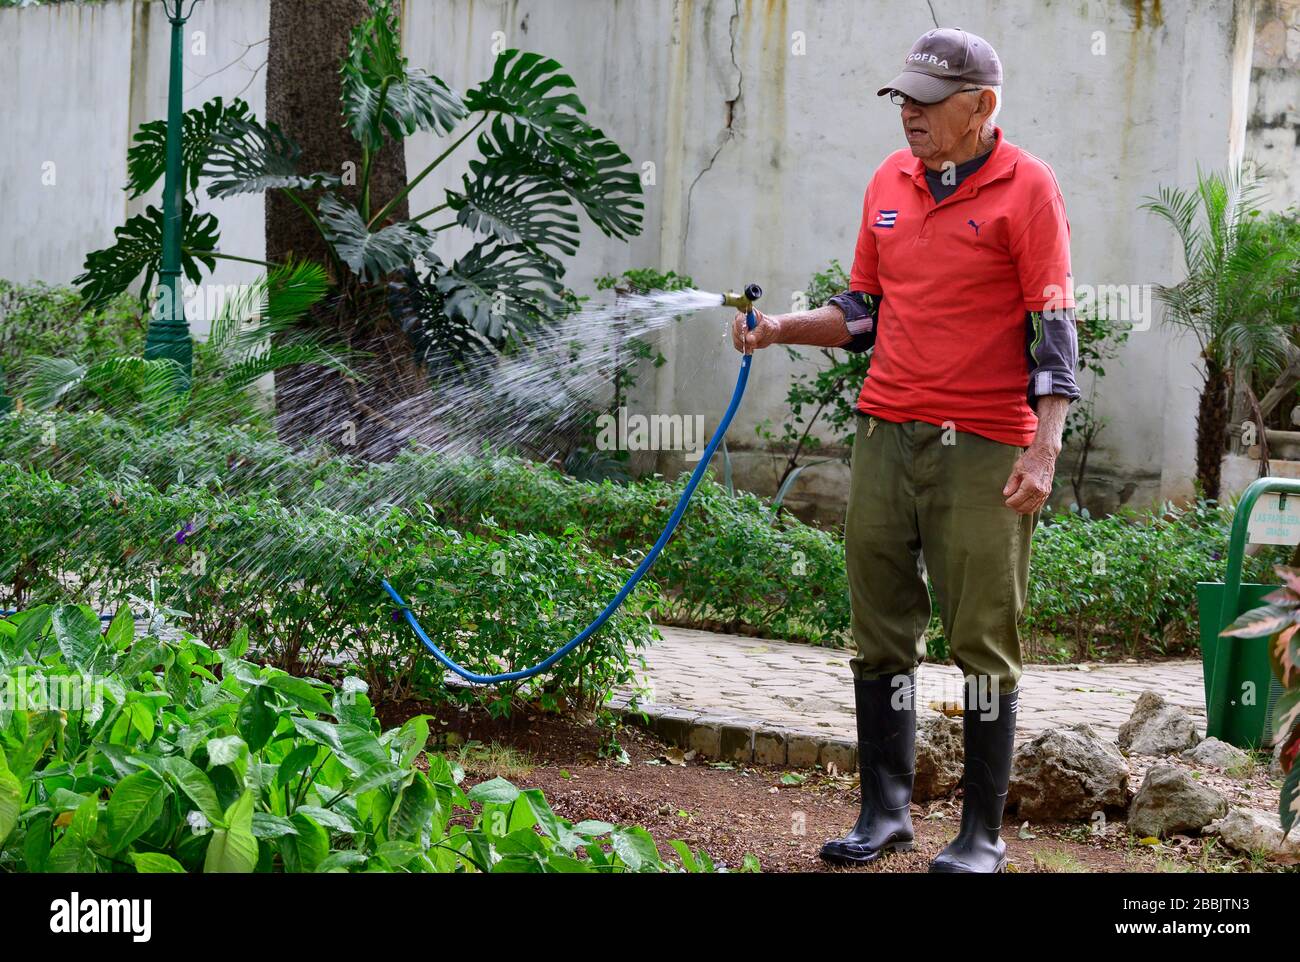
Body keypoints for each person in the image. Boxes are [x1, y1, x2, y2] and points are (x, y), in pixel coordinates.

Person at [731, 27, 1079, 873]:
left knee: (982, 636)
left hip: (985, 444)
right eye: (903, 99)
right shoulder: (888, 182)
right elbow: (862, 312)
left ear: (980, 106)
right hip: (886, 431)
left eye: (926, 102)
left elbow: (1055, 329)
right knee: (880, 629)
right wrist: (778, 329)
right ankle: (884, 813)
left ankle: (981, 835)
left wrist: (1043, 451)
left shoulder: (1027, 188)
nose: (909, 115)